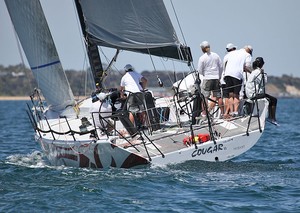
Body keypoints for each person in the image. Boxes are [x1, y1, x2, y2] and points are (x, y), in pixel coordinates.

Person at [245, 57, 279, 126]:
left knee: (268, 97)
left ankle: (271, 117)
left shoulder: (254, 71)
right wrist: (263, 74)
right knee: (274, 100)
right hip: (253, 95)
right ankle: (272, 118)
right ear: (262, 64)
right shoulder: (258, 72)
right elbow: (264, 83)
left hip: (249, 93)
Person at [223, 45, 253, 118]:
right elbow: (248, 65)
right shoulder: (247, 55)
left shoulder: (233, 53)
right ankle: (235, 112)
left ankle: (231, 112)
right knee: (236, 95)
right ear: (249, 51)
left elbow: (225, 63)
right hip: (237, 75)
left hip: (227, 74)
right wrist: (252, 72)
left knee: (230, 95)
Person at [197, 41, 223, 117]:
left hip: (207, 79)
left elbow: (200, 70)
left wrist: (205, 74)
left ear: (202, 49)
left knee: (205, 97)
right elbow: (221, 67)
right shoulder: (216, 56)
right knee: (218, 96)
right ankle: (223, 113)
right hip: (216, 79)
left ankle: (204, 114)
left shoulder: (202, 58)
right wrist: (219, 76)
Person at [221, 43, 237, 117]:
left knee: (226, 97)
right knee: (230, 96)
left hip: (224, 78)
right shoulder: (234, 57)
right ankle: (227, 113)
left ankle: (226, 113)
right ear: (233, 49)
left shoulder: (226, 57)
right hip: (229, 78)